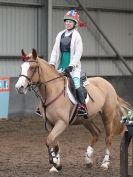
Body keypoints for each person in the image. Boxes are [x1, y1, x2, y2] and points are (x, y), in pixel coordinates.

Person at [49, 9, 88, 116]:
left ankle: (82, 106)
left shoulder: (77, 36)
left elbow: (78, 53)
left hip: (73, 67)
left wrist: (71, 66)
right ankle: (45, 106)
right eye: (66, 21)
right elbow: (55, 51)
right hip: (61, 65)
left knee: (76, 84)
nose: (67, 23)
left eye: (70, 22)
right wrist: (52, 63)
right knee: (50, 83)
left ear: (75, 24)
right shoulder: (60, 34)